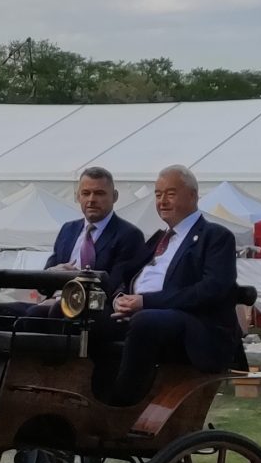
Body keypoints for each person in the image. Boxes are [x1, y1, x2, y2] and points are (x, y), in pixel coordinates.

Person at [101, 165, 244, 403]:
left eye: (170, 193)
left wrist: (146, 303)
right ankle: (89, 397)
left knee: (145, 321)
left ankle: (122, 404)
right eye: (157, 195)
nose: (162, 201)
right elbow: (126, 275)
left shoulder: (215, 237)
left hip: (197, 328)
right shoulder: (158, 239)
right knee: (91, 322)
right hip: (144, 315)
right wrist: (120, 300)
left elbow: (212, 289)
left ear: (193, 196)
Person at [45, 164, 146, 294]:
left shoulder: (130, 236)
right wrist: (52, 274)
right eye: (86, 193)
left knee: (35, 312)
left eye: (99, 193)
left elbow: (115, 287)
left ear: (114, 197)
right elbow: (43, 283)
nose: (91, 200)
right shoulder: (68, 230)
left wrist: (75, 278)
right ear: (78, 196)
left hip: (93, 308)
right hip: (53, 302)